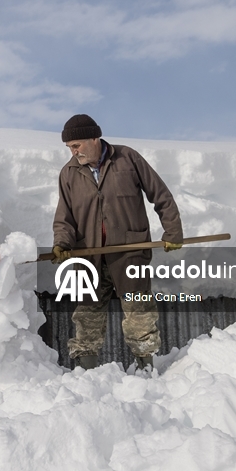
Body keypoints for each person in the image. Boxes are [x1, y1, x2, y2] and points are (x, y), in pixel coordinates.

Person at [51, 114, 183, 373]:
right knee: (87, 315)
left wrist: (173, 232)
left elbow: (161, 195)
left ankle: (145, 369)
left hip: (129, 252)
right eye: (69, 147)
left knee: (139, 310)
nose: (73, 151)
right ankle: (87, 373)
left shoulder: (127, 159)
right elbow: (64, 217)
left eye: (76, 145)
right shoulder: (68, 173)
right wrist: (62, 243)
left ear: (94, 138)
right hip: (88, 256)